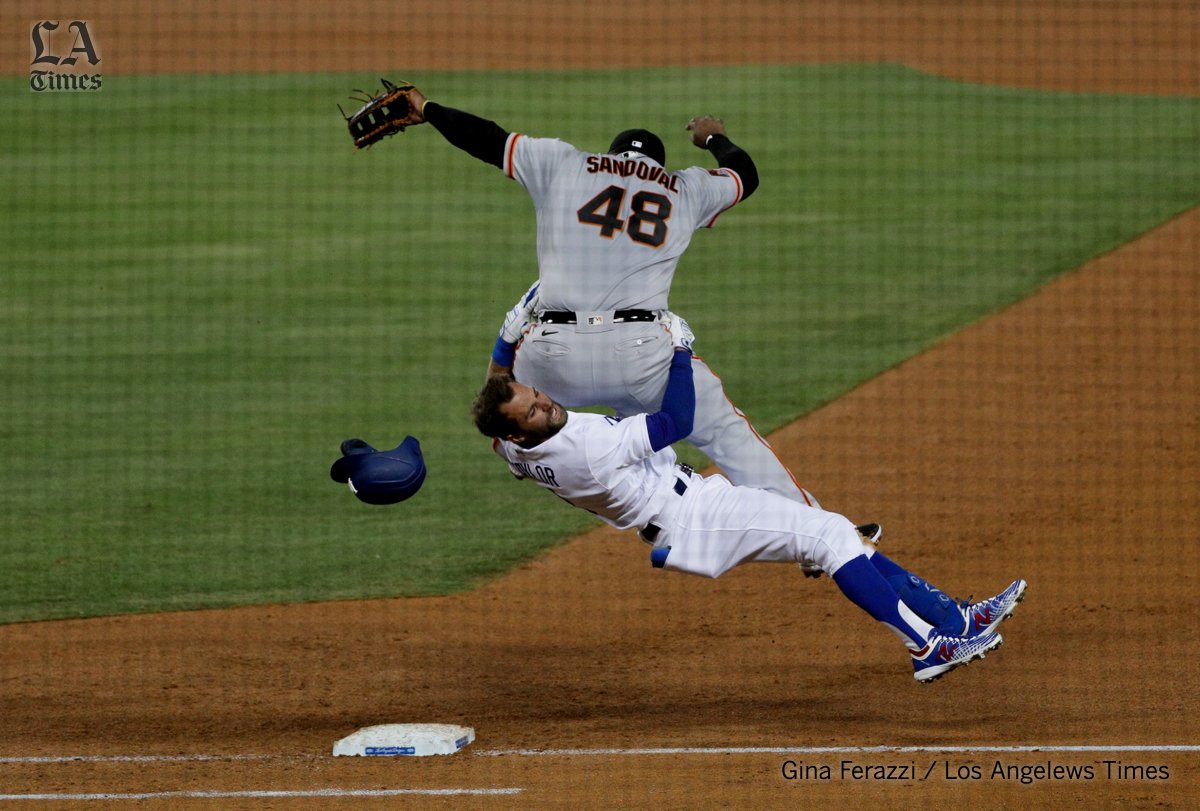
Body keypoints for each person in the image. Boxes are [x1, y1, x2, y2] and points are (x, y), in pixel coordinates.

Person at [470, 316, 1027, 682]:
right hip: (694, 519)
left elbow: (496, 395)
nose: (545, 402)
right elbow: (677, 421)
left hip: (693, 507)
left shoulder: (515, 450)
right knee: (831, 535)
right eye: (533, 409)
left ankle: (956, 619)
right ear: (520, 430)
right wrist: (681, 349)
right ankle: (926, 647)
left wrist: (504, 346)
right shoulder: (589, 449)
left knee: (834, 533)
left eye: (536, 393)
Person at [404, 84, 823, 509]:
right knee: (728, 434)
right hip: (640, 354)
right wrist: (714, 137)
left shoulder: (563, 163)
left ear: (613, 153)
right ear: (657, 162)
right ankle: (817, 526)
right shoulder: (686, 189)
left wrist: (428, 109)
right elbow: (744, 176)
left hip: (553, 354)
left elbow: (486, 138)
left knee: (502, 402)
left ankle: (518, 451)